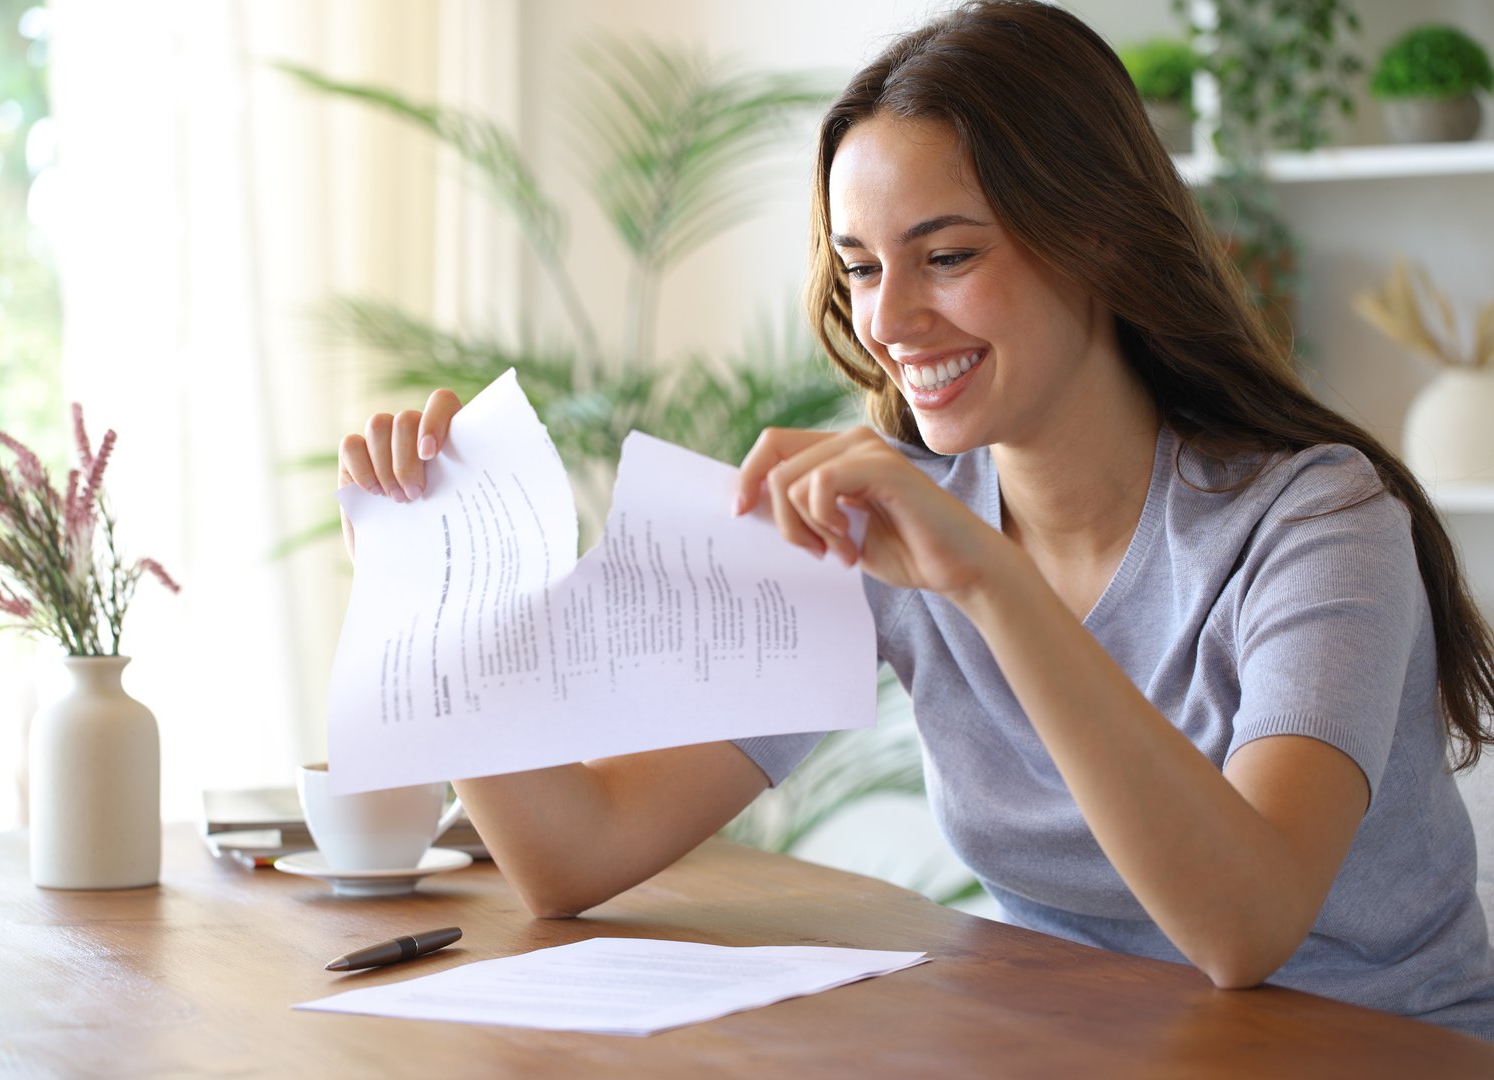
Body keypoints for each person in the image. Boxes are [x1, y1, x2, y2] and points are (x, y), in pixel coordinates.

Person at [335, 0, 1494, 1040]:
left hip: (1375, 1052)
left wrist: (988, 580)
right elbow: (570, 854)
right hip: (1087, 1046)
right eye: (860, 268)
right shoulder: (901, 517)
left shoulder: (1320, 523)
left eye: (945, 256)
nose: (890, 319)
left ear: (1097, 233)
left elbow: (1247, 928)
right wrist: (431, 582)